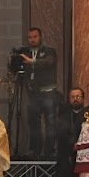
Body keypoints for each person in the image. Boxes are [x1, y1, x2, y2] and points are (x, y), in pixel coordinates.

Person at [19, 27, 58, 159]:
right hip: (33, 93)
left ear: (40, 37)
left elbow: (50, 62)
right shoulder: (25, 52)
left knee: (50, 123)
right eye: (30, 37)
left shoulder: (49, 51)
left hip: (48, 91)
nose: (32, 40)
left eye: (35, 37)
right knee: (33, 124)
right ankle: (35, 151)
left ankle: (49, 152)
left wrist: (33, 61)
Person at [55, 87, 86, 177]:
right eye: (73, 96)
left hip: (82, 159)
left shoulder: (88, 114)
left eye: (78, 96)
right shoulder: (63, 115)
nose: (75, 99)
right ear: (69, 99)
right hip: (67, 159)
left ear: (83, 98)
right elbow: (60, 136)